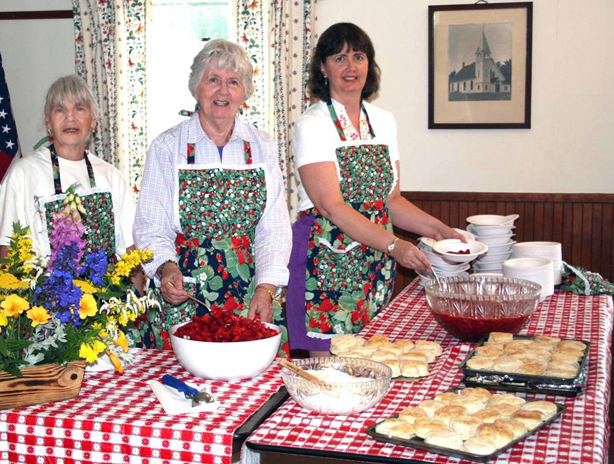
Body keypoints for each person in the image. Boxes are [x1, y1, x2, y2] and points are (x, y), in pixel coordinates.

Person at [286, 23, 464, 355]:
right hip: (326, 260)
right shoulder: (312, 125)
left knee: (371, 358)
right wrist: (395, 245)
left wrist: (438, 229)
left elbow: (390, 200)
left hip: (372, 259)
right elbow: (331, 206)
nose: (350, 67)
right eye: (339, 58)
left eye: (358, 56)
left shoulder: (384, 121)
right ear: (322, 68)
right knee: (329, 367)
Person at [134, 39, 292, 352]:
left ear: (244, 93)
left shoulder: (262, 146)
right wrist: (166, 270)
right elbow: (151, 227)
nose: (223, 91)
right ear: (196, 89)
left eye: (233, 82)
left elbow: (274, 228)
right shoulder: (167, 146)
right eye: (213, 80)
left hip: (250, 294)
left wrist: (267, 288)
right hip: (185, 294)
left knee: (251, 390)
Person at [0, 75, 136, 268]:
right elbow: (6, 253)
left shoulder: (112, 177)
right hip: (42, 296)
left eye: (79, 108)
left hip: (107, 295)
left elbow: (131, 254)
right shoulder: (23, 174)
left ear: (93, 120)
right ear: (48, 121)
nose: (70, 117)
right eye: (59, 110)